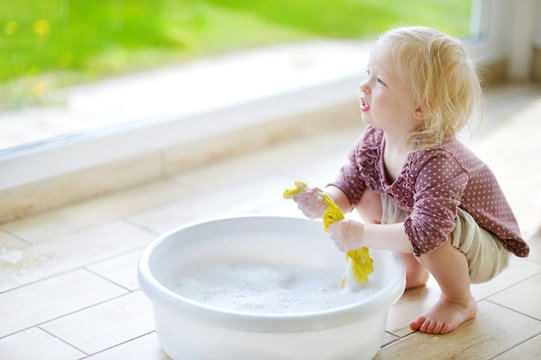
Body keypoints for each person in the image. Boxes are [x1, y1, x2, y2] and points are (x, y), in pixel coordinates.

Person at [292, 26, 529, 335]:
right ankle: (412, 272)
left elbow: (428, 231)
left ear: (422, 106)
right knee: (366, 193)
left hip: (485, 248)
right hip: (432, 229)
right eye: (368, 73)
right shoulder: (374, 138)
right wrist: (324, 200)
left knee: (430, 230)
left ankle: (459, 300)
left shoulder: (438, 160)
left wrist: (360, 234)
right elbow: (349, 185)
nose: (364, 86)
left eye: (380, 81)